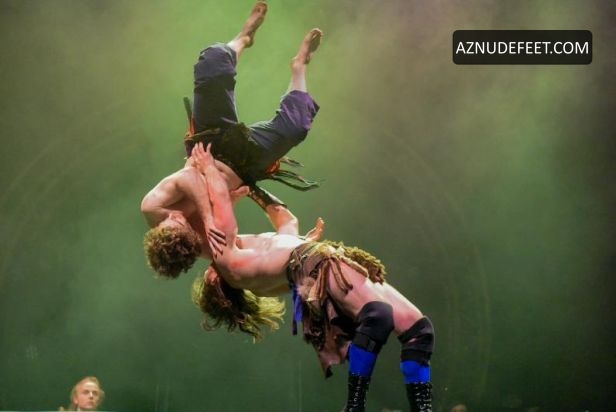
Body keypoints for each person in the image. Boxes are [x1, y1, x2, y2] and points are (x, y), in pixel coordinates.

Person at [186, 143, 435, 412]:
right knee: (378, 315)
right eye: (208, 272)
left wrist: (252, 187)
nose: (208, 265)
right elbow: (220, 208)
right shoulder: (229, 265)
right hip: (316, 265)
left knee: (418, 330)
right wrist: (209, 169)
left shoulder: (256, 255)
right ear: (216, 282)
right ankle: (354, 406)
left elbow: (286, 219)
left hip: (321, 259)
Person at [141, 1, 323, 278]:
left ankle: (243, 39)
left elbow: (188, 179)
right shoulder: (201, 245)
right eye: (181, 224)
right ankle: (299, 67)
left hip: (210, 146)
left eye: (170, 221)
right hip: (244, 167)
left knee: (212, 66)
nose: (176, 216)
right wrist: (298, 246)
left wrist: (207, 217)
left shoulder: (152, 206)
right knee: (296, 128)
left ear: (157, 233)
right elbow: (245, 246)